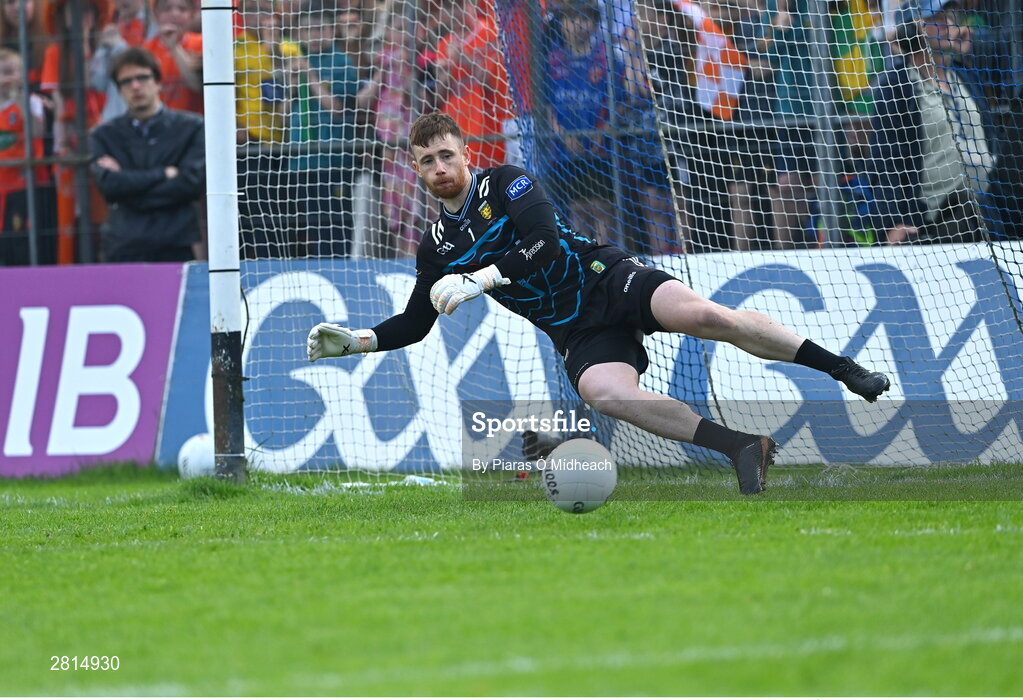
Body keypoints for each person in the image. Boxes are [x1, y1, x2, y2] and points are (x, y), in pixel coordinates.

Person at [306, 112, 892, 495]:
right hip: (573, 329)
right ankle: (743, 447)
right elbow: (415, 321)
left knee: (707, 317)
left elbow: (544, 242)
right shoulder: (435, 245)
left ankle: (843, 368)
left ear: (466, 155)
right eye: (428, 160)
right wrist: (359, 341)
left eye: (447, 155)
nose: (440, 167)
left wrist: (481, 279)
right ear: (415, 169)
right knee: (603, 393)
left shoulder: (505, 182)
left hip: (606, 277)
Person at [866, 7, 990, 244]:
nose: (948, 24)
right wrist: (894, 221)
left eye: (950, 18)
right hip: (939, 218)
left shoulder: (965, 75)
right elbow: (885, 163)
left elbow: (1007, 44)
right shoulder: (896, 86)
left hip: (990, 211)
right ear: (913, 28)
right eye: (936, 19)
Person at [89, 47, 204, 262]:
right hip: (124, 246)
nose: (135, 86)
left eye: (142, 78)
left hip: (175, 244)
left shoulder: (192, 127)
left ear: (158, 82)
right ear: (119, 89)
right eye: (126, 81)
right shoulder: (104, 135)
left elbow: (189, 184)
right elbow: (110, 187)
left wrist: (129, 184)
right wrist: (163, 174)